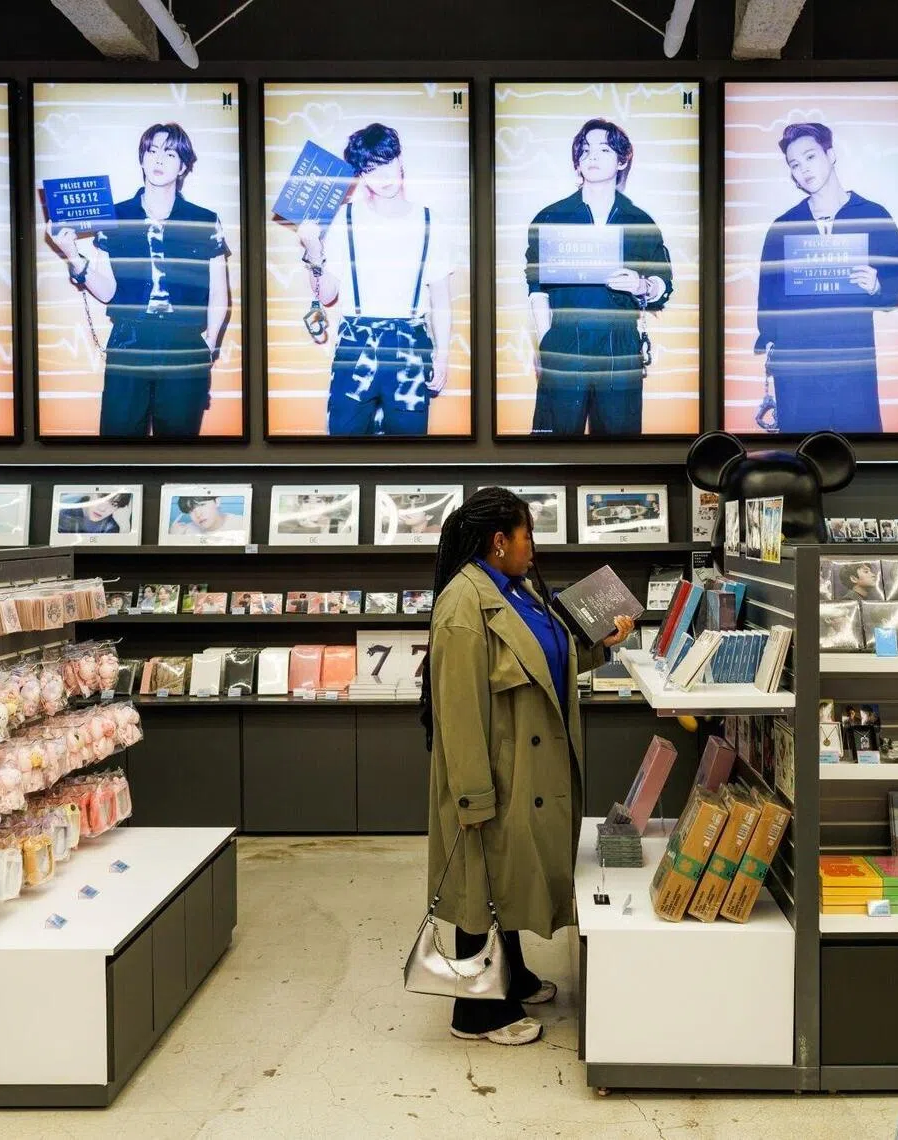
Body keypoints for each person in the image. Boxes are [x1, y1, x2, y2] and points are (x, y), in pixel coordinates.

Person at [420, 487, 635, 1045]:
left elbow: (546, 658)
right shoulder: (463, 606)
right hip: (495, 772)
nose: (532, 547)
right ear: (499, 541)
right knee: (481, 884)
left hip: (527, 768)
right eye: (526, 535)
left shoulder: (516, 591)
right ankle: (476, 1012)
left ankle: (511, 976)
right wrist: (472, 797)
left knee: (507, 877)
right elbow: (458, 713)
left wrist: (603, 643)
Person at [47, 123, 229, 439]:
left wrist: (209, 346)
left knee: (178, 451)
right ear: (142, 158)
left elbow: (218, 292)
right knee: (118, 446)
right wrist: (72, 255)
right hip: (128, 341)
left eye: (169, 153)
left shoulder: (204, 220)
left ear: (183, 166)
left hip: (184, 346)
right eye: (152, 151)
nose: (158, 159)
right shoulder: (115, 216)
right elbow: (108, 290)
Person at [297, 123, 452, 437]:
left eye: (387, 162)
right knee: (344, 444)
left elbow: (441, 299)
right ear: (361, 175)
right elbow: (327, 295)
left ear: (400, 159)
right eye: (370, 169)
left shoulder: (429, 221)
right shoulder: (344, 218)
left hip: (410, 343)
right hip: (355, 341)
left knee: (409, 451)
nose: (382, 176)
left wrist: (443, 355)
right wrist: (313, 250)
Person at [755, 122, 898, 434]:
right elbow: (767, 298)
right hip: (797, 364)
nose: (803, 169)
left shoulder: (873, 215)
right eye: (794, 164)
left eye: (810, 157)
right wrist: (770, 341)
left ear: (831, 155)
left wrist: (877, 286)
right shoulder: (783, 226)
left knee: (859, 447)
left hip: (851, 358)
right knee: (799, 452)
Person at [525, 118, 673, 437]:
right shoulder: (550, 217)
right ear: (577, 160)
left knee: (619, 449)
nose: (592, 156)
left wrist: (642, 285)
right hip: (564, 340)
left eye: (604, 149)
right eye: (585, 149)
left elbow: (664, 283)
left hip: (620, 343)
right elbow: (536, 288)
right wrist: (547, 341)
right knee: (555, 446)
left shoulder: (640, 221)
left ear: (622, 160)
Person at [57, 492, 131, 535]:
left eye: (113, 504)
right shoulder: (64, 515)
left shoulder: (112, 527)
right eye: (100, 497)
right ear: (91, 493)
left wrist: (125, 527)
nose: (102, 508)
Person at [169, 496, 240, 537]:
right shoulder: (184, 532)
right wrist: (173, 537)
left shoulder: (240, 523)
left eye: (202, 505)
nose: (198, 515)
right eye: (191, 510)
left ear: (217, 502)